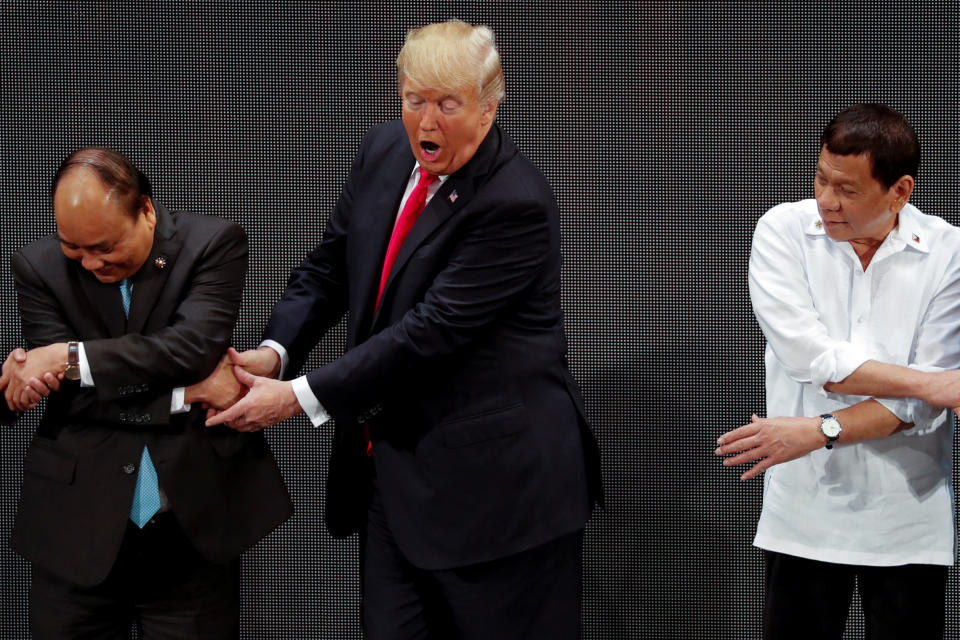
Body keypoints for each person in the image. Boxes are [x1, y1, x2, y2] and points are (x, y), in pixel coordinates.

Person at [206, 19, 602, 639]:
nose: (427, 122)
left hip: (499, 499)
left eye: (449, 104)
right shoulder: (385, 152)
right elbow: (332, 263)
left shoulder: (513, 203)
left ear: (489, 108)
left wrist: (299, 397)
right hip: (397, 483)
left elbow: (428, 333)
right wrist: (276, 352)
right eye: (414, 99)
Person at [0, 147, 292, 638]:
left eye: (105, 247)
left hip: (190, 535)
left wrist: (76, 360)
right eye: (74, 249)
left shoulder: (213, 244)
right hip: (76, 533)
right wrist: (188, 394)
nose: (91, 262)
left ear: (147, 212)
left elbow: (189, 350)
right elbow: (75, 398)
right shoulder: (38, 268)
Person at [715, 103, 960, 639]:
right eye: (821, 179)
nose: (827, 200)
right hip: (803, 514)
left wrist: (820, 430)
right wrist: (929, 383)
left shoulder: (948, 253)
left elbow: (922, 411)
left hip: (908, 519)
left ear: (899, 191)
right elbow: (810, 359)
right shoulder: (783, 231)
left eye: (847, 190)